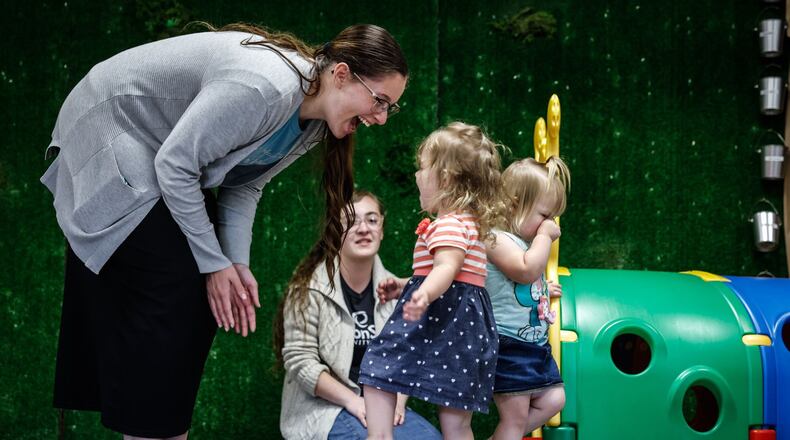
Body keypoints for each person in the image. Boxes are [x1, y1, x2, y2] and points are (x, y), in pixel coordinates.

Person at [41, 23, 408, 439]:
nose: (379, 118)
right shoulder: (264, 87)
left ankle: (158, 427)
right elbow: (175, 165)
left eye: (389, 109)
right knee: (180, 281)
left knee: (200, 297)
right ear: (340, 74)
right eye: (379, 101)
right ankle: (152, 429)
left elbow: (244, 182)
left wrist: (234, 263)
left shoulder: (311, 122)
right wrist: (213, 265)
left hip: (155, 156)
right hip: (110, 130)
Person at [358, 122, 506, 440]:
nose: (416, 176)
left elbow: (447, 268)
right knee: (456, 422)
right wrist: (405, 285)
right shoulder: (470, 225)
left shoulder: (449, 224)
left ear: (446, 178)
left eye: (422, 168)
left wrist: (423, 295)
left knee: (378, 365)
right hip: (467, 330)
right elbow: (449, 273)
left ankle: (379, 435)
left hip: (443, 323)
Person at [276, 191, 441, 440]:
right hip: (325, 408)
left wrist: (398, 399)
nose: (363, 228)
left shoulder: (396, 290)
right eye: (351, 221)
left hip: (384, 403)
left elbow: (407, 355)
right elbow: (301, 361)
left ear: (382, 230)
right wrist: (353, 401)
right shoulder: (308, 289)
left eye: (372, 220)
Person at [485, 156, 570, 439]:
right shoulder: (494, 238)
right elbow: (524, 270)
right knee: (515, 417)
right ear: (512, 205)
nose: (550, 224)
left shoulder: (521, 244)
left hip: (533, 345)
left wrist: (543, 288)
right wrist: (545, 236)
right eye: (544, 216)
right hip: (508, 344)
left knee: (554, 400)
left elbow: (523, 281)